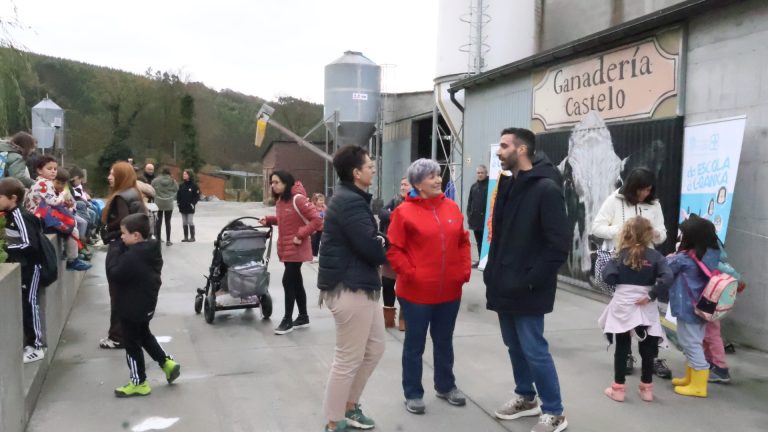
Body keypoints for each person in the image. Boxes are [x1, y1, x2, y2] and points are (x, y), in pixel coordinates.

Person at [484, 128, 570, 432]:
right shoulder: (509, 185)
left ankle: (554, 410)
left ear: (521, 150)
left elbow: (559, 245)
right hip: (503, 283)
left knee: (534, 347)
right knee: (513, 345)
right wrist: (492, 273)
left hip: (528, 287)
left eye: (504, 146)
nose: (499, 151)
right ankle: (525, 396)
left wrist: (531, 279)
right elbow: (499, 238)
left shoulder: (546, 188)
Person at [386, 159, 472, 415]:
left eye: (438, 175)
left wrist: (463, 271)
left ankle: (446, 386)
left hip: (449, 291)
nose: (438, 180)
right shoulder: (403, 213)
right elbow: (394, 249)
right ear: (417, 184)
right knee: (415, 344)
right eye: (431, 176)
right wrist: (412, 273)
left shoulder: (452, 208)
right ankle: (413, 392)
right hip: (416, 294)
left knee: (444, 341)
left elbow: (463, 242)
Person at [317, 145, 387, 432]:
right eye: (369, 165)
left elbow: (368, 238)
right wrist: (382, 242)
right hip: (350, 287)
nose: (373, 168)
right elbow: (370, 247)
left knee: (375, 348)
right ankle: (335, 421)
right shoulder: (350, 202)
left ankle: (349, 405)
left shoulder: (351, 198)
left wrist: (378, 238)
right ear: (356, 173)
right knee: (347, 359)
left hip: (360, 285)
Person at [591, 167, 670, 378]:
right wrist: (623, 231)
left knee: (648, 312)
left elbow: (662, 233)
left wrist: (653, 234)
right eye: (641, 190)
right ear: (631, 187)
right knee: (624, 311)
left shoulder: (654, 204)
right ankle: (625, 354)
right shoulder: (615, 200)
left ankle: (651, 356)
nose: (644, 194)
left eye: (648, 190)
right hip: (622, 261)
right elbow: (596, 227)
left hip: (646, 263)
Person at [598, 217, 673, 402]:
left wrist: (622, 283)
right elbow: (668, 276)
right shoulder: (656, 257)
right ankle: (646, 389)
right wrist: (651, 294)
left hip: (623, 304)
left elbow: (607, 276)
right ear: (649, 234)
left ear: (625, 233)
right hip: (646, 304)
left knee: (622, 347)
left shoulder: (619, 255)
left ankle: (618, 389)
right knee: (648, 348)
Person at [107, 213, 180, 397]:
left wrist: (115, 248)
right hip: (145, 304)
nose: (121, 237)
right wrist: (122, 246)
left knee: (131, 343)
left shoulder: (133, 256)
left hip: (131, 306)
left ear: (136, 236)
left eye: (124, 233)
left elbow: (114, 273)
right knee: (144, 335)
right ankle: (167, 363)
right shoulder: (149, 249)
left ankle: (138, 381)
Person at [666, 215, 725, 398]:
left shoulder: (684, 259)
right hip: (703, 307)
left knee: (690, 343)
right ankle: (690, 378)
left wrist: (669, 257)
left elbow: (665, 267)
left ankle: (698, 386)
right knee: (694, 342)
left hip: (688, 308)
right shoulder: (712, 254)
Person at [260, 170, 322, 334]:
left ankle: (287, 319)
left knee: (288, 281)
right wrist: (269, 219)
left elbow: (317, 220)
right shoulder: (281, 200)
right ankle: (303, 316)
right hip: (286, 247)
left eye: (277, 182)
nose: (273, 186)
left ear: (286, 183)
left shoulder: (298, 199)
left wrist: (300, 235)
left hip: (297, 248)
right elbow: (283, 221)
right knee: (296, 282)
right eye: (272, 183)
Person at [99, 161, 147, 349]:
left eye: (113, 174)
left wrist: (105, 230)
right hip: (133, 249)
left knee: (117, 294)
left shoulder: (120, 198)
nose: (109, 177)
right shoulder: (135, 193)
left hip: (119, 248)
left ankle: (117, 336)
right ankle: (127, 334)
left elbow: (122, 222)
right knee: (128, 294)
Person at [0, 178, 48, 362]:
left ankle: (37, 345)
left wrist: (7, 249)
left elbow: (30, 244)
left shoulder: (20, 216)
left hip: (32, 267)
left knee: (31, 303)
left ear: (13, 198)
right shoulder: (11, 214)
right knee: (26, 304)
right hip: (24, 267)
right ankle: (31, 343)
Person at [25, 156, 91, 271]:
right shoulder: (44, 183)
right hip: (40, 219)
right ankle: (72, 260)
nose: (53, 171)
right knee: (72, 228)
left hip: (38, 216)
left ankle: (70, 253)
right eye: (49, 168)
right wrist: (62, 196)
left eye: (55, 168)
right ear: (39, 170)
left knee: (70, 223)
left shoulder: (40, 182)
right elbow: (53, 201)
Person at [378, 177, 410, 330]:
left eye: (406, 184)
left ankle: (404, 319)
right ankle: (388, 318)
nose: (403, 187)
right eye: (402, 184)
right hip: (390, 249)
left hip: (407, 252)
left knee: (405, 286)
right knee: (387, 283)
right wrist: (394, 216)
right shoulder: (395, 200)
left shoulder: (416, 202)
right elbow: (382, 212)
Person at [466, 164, 489, 267]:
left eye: (482, 173)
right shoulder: (474, 186)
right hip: (475, 220)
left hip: (486, 220)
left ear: (486, 173)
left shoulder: (490, 185)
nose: (480, 175)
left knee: (487, 243)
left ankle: (487, 261)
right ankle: (481, 260)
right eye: (478, 173)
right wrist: (469, 214)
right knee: (479, 242)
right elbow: (470, 202)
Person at [151, 167, 179, 246]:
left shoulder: (156, 180)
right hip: (169, 203)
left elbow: (151, 187)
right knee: (168, 221)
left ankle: (158, 239)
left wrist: (156, 195)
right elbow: (177, 189)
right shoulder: (172, 181)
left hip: (158, 203)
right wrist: (171, 195)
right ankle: (168, 240)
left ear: (162, 172)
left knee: (158, 221)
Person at [177, 169, 200, 242]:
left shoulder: (194, 185)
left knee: (190, 221)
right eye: (183, 174)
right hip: (182, 207)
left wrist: (193, 203)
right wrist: (178, 203)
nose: (184, 175)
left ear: (189, 175)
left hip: (190, 207)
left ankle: (192, 237)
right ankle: (186, 237)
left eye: (185, 174)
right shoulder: (181, 185)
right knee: (184, 222)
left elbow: (197, 196)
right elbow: (178, 195)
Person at [310, 193, 327, 263]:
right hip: (314, 228)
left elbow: (325, 216)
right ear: (316, 201)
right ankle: (311, 255)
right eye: (320, 200)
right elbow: (313, 216)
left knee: (318, 242)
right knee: (313, 242)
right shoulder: (313, 208)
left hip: (321, 228)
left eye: (323, 200)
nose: (322, 202)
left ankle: (315, 256)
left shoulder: (324, 208)